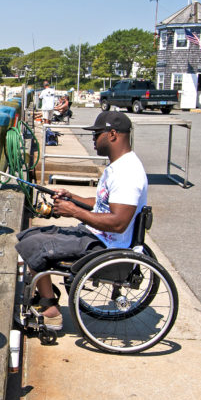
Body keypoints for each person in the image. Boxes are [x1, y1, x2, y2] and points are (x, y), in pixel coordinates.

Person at [15, 111, 148, 330]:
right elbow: (102, 204)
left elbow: (118, 223)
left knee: (32, 245)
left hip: (103, 245)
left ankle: (50, 312)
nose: (93, 140)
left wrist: (74, 212)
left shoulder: (127, 173)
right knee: (29, 235)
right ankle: (45, 296)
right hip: (95, 236)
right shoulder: (118, 166)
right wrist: (72, 199)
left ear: (112, 134)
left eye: (97, 134)